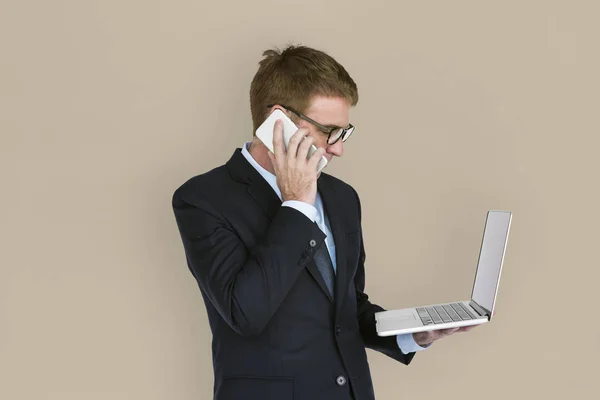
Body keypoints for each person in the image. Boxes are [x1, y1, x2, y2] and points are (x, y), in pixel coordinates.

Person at [172, 45, 476, 400]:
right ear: (278, 121)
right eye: (329, 131)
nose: (338, 149)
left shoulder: (342, 197)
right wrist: (297, 205)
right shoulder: (203, 199)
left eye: (344, 133)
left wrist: (413, 334)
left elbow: (348, 309)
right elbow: (246, 312)